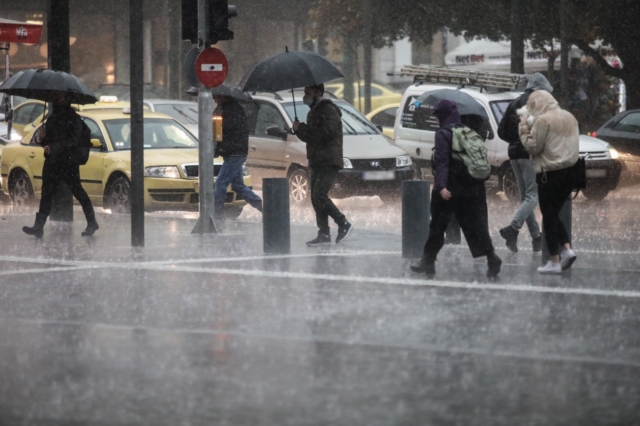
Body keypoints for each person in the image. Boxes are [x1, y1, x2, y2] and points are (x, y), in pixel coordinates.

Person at [410, 99, 502, 278]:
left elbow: (442, 162)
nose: (436, 119)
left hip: (450, 190)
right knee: (475, 225)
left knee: (437, 226)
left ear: (442, 115)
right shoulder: (467, 132)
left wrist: (441, 186)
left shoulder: (444, 134)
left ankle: (427, 262)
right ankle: (492, 257)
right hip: (470, 188)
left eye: (437, 115)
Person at [22, 92, 98, 239]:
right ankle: (39, 226)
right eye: (56, 96)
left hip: (68, 162)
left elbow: (73, 141)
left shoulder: (74, 119)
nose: (56, 99)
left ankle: (92, 221)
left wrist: (54, 147)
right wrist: (42, 139)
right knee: (47, 192)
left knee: (77, 191)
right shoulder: (52, 118)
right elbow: (47, 142)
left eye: (60, 96)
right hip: (52, 162)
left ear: (68, 99)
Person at [519, 90, 579, 274]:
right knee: (552, 214)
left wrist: (523, 128)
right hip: (571, 173)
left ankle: (554, 261)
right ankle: (566, 250)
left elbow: (533, 147)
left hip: (550, 174)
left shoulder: (543, 120)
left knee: (549, 216)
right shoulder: (570, 117)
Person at [497, 73, 553, 253]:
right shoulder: (539, 102)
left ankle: (537, 238)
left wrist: (515, 141)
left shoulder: (515, 102)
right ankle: (513, 229)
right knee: (533, 195)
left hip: (514, 154)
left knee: (525, 197)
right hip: (530, 153)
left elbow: (501, 130)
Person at [292, 84, 353, 245]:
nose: (305, 96)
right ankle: (324, 233)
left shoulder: (327, 110)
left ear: (318, 93)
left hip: (329, 160)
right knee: (315, 197)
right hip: (317, 160)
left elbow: (323, 134)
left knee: (319, 195)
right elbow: (311, 137)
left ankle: (343, 223)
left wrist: (303, 128)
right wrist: (298, 130)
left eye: (308, 93)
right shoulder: (314, 111)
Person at [213, 95, 263, 223]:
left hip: (235, 153)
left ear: (224, 98)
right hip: (234, 152)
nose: (216, 100)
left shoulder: (232, 111)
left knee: (221, 182)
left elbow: (225, 132)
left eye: (217, 98)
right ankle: (263, 207)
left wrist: (219, 119)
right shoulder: (230, 110)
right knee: (237, 185)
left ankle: (216, 213)